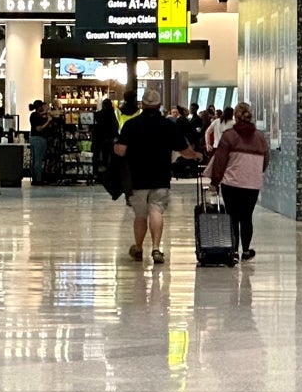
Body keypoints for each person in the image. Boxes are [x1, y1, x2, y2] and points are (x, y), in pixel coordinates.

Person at [113, 88, 199, 264]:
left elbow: (120, 151)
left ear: (142, 105)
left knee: (140, 215)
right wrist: (196, 155)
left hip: (137, 177)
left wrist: (114, 146)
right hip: (161, 176)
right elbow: (185, 152)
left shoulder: (131, 125)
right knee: (156, 210)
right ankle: (156, 249)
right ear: (159, 105)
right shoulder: (169, 126)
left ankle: (138, 248)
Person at [206, 101, 269, 262]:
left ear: (236, 116)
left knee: (232, 217)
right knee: (247, 217)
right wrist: (255, 172)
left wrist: (215, 181)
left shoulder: (229, 136)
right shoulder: (260, 137)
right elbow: (265, 162)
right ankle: (246, 251)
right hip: (252, 183)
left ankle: (233, 251)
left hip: (231, 183)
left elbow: (220, 161)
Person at [27, 99, 53, 186]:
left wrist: (46, 113)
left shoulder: (33, 115)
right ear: (39, 107)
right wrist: (48, 121)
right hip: (39, 139)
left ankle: (34, 178)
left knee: (34, 160)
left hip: (33, 139)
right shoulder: (36, 116)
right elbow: (39, 128)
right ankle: (38, 179)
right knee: (38, 160)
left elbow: (41, 115)